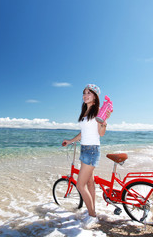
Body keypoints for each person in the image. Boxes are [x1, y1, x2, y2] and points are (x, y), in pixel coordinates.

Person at [62, 84, 112, 228]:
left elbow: (101, 134)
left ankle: (92, 216)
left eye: (89, 93)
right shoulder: (85, 114)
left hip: (92, 151)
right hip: (84, 149)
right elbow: (83, 133)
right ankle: (92, 210)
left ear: (95, 98)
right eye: (84, 93)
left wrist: (105, 122)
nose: (85, 95)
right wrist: (71, 140)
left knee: (80, 184)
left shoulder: (98, 113)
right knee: (90, 183)